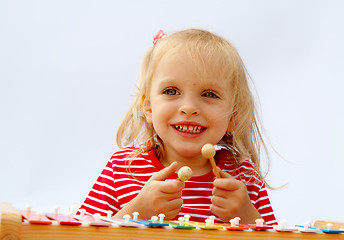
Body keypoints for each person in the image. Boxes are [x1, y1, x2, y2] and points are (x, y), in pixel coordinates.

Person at [78, 29, 277, 225]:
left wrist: (249, 218)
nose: (189, 108)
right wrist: (137, 212)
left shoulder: (244, 176)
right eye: (171, 91)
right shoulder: (122, 168)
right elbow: (78, 235)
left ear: (233, 115)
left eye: (209, 94)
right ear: (148, 107)